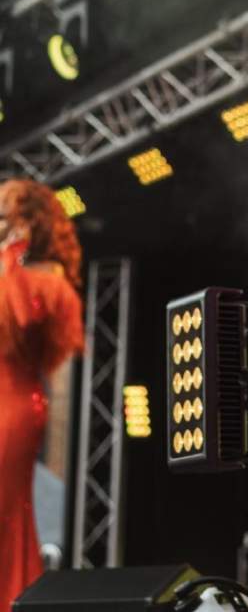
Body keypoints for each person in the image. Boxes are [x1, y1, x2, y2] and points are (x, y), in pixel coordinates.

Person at [0, 179, 83, 610]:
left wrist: (10, 257)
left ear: (25, 224)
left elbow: (15, 315)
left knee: (6, 512)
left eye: (2, 218)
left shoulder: (42, 281)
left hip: (12, 406)